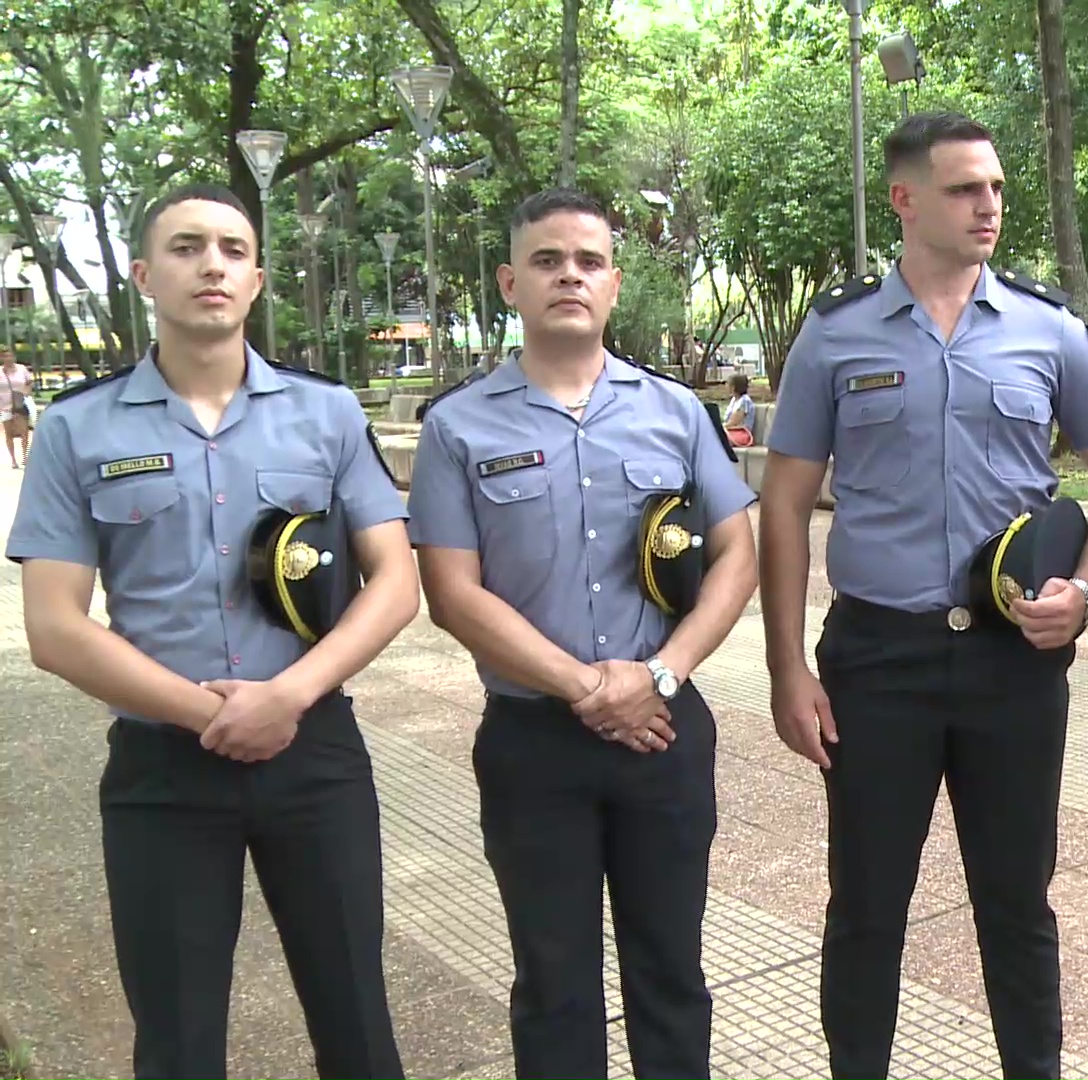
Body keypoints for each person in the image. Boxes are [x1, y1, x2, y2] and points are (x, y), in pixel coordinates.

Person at [758, 111, 1088, 1080]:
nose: (990, 205)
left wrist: (1087, 593)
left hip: (1012, 662)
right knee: (865, 906)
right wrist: (785, 668)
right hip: (875, 661)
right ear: (905, 200)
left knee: (1018, 904)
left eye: (999, 188)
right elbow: (785, 501)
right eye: (966, 188)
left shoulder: (1047, 329)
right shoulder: (837, 333)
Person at [5, 183, 418, 1079]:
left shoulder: (328, 413)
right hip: (163, 773)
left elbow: (396, 583)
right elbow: (54, 626)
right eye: (187, 247)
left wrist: (288, 697)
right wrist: (209, 714)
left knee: (356, 1017)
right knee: (179, 1037)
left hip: (315, 755)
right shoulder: (79, 429)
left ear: (259, 278)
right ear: (147, 276)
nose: (212, 265)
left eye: (232, 249)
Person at [407, 187, 759, 1080]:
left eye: (589, 261)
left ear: (613, 282)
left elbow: (736, 557)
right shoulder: (458, 426)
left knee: (671, 972)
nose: (570, 275)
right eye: (547, 260)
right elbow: (451, 592)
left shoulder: (676, 412)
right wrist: (590, 689)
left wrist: (664, 676)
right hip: (534, 744)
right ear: (510, 283)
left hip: (665, 730)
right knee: (553, 982)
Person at [2, 349, 31, 466]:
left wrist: (26, 392)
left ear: (14, 357)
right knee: (8, 433)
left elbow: (29, 382)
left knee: (24, 431)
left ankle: (25, 456)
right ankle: (13, 459)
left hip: (20, 404)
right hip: (4, 406)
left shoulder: (22, 369)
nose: (8, 358)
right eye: (6, 356)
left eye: (10, 356)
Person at [722, 372, 756, 448]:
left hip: (741, 434)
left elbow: (733, 422)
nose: (725, 386)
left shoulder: (744, 401)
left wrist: (719, 428)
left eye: (727, 383)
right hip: (731, 432)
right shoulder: (734, 400)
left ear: (733, 387)